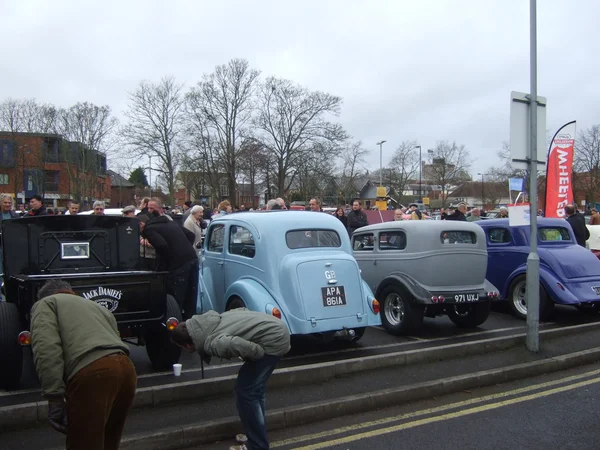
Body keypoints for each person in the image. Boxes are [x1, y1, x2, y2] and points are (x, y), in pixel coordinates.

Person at [30, 279, 136, 450]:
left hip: (93, 371)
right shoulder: (97, 307)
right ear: (70, 292)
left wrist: (54, 396)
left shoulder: (46, 303)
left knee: (83, 444)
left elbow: (46, 348)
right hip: (126, 370)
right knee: (109, 441)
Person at [171, 309, 291, 450]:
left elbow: (236, 344)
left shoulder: (212, 343)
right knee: (254, 391)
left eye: (182, 348)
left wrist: (257, 353)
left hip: (273, 340)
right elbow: (241, 311)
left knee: (246, 393)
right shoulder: (211, 322)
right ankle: (255, 435)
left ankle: (257, 444)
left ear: (188, 345)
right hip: (276, 329)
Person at [141, 209, 198, 318]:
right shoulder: (170, 223)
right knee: (191, 295)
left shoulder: (149, 229)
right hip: (192, 259)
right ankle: (190, 322)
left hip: (178, 264)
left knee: (177, 298)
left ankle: (176, 326)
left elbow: (162, 246)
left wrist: (168, 260)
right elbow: (190, 235)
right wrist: (183, 248)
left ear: (141, 224)